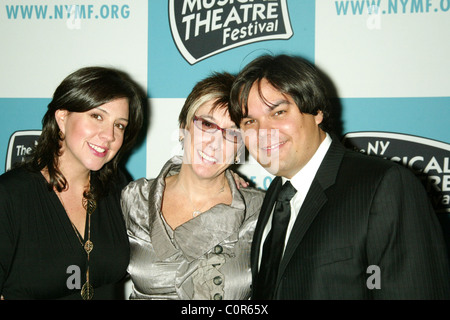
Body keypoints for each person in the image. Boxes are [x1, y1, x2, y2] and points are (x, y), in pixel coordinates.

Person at [228, 54, 450, 299]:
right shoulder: (274, 197)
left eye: (278, 112)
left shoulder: (384, 186)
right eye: (250, 121)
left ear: (317, 111)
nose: (263, 132)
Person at [0, 66, 144, 299]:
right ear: (62, 117)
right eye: (97, 116)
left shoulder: (116, 187)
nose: (109, 136)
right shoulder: (10, 196)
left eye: (119, 125)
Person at [121, 72, 265, 300]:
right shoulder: (134, 198)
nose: (215, 143)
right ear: (183, 127)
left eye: (232, 134)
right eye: (207, 124)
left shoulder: (260, 211)